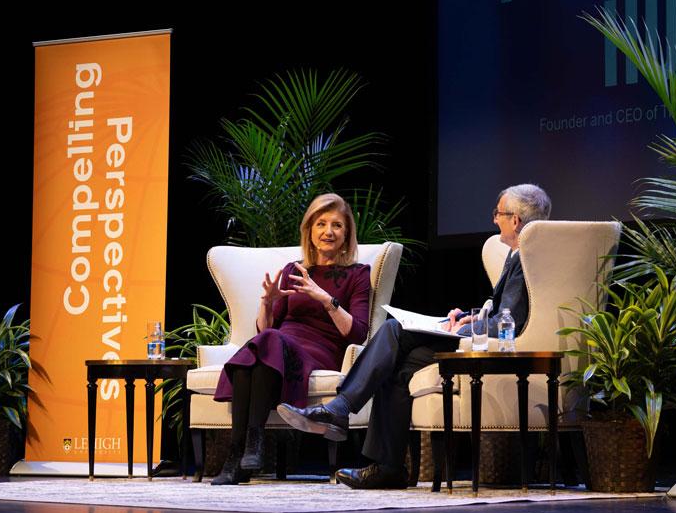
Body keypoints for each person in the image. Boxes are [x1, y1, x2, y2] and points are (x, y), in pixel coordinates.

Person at [278, 183, 551, 489]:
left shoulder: (527, 257)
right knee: (397, 364)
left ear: (515, 220)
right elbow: (502, 312)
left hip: (494, 348)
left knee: (394, 329)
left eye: (498, 213)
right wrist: (468, 317)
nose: (494, 219)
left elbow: (509, 320)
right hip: (479, 337)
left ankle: (341, 410)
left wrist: (461, 329)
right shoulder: (518, 255)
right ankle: (388, 468)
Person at [210, 193, 372, 485]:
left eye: (337, 225)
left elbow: (359, 332)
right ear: (309, 231)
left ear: (347, 233)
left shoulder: (358, 274)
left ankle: (244, 450)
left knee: (264, 346)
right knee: (258, 352)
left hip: (320, 350)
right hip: (281, 344)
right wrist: (266, 303)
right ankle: (242, 453)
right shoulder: (293, 271)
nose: (328, 231)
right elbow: (265, 329)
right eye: (321, 224)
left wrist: (325, 298)